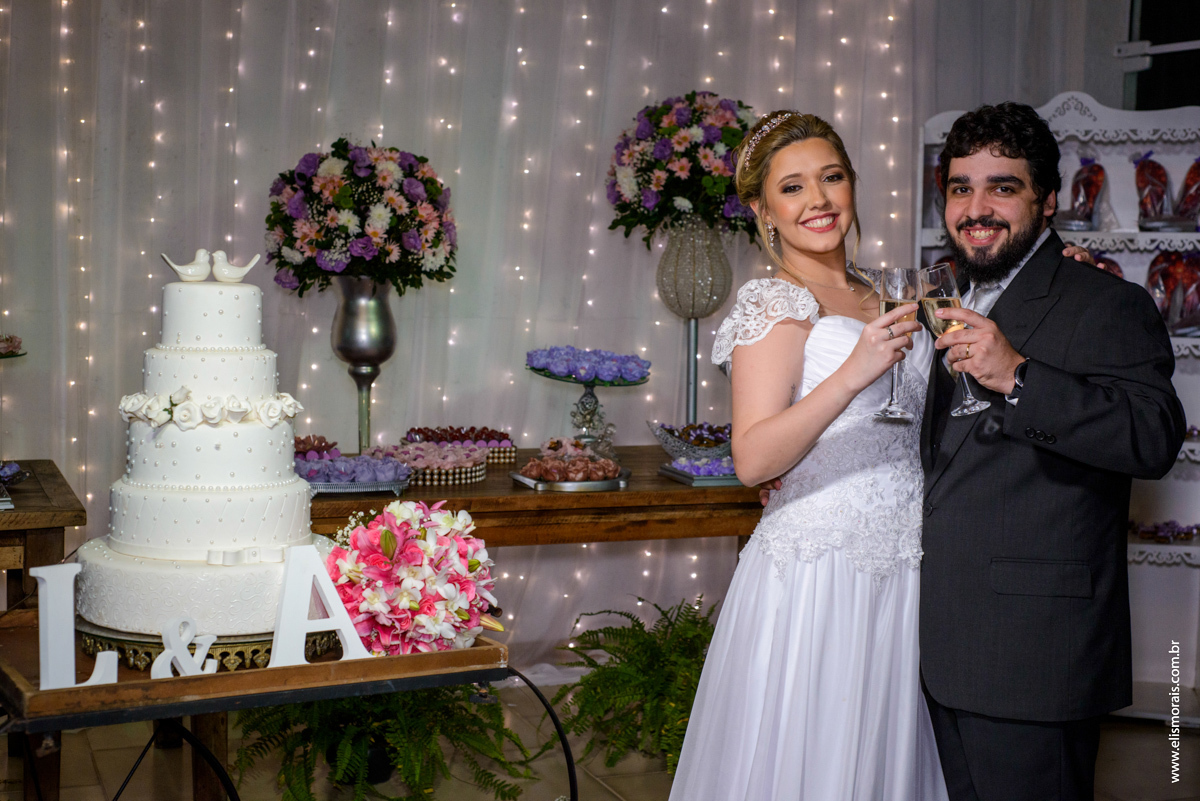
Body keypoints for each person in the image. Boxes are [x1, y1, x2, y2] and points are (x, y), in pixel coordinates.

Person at [669, 111, 946, 801]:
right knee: (814, 752)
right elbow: (752, 458)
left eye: (831, 177)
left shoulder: (888, 289)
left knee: (880, 753)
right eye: (792, 188)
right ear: (764, 211)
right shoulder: (774, 301)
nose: (818, 200)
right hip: (821, 566)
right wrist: (853, 372)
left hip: (906, 561)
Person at [919, 102, 1185, 801]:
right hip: (933, 639)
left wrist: (1019, 376)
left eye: (1002, 187)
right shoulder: (939, 295)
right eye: (960, 187)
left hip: (1031, 650)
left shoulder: (1105, 301)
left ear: (1047, 200)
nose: (977, 209)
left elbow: (1153, 436)